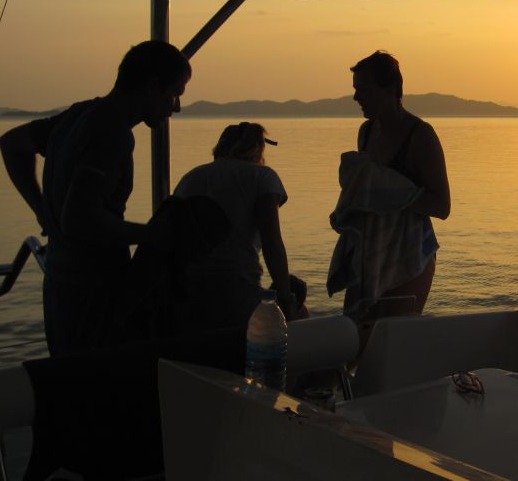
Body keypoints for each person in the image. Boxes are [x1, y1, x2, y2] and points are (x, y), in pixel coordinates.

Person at [0, 40, 191, 356]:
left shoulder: (79, 115)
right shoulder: (113, 133)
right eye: (174, 94)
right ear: (152, 86)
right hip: (93, 292)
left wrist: (42, 208)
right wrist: (151, 235)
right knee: (96, 381)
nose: (176, 107)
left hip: (60, 284)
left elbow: (11, 144)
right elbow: (79, 221)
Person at [327, 50, 450, 325]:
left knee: (393, 338)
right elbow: (370, 191)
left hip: (409, 254)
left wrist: (395, 191)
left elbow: (442, 206)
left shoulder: (420, 135)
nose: (356, 97)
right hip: (371, 252)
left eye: (363, 89)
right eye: (355, 89)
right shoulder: (366, 132)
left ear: (390, 89)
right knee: (359, 336)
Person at [172, 122, 305, 332]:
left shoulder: (190, 178)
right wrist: (286, 299)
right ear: (257, 149)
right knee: (299, 309)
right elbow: (271, 241)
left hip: (188, 295)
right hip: (238, 293)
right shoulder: (262, 176)